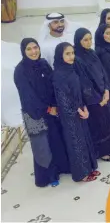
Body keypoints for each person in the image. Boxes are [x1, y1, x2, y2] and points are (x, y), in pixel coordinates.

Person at [14, 38, 70, 187]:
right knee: (42, 146)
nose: (33, 52)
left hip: (51, 110)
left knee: (55, 140)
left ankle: (61, 168)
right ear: (23, 52)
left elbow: (53, 84)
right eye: (29, 49)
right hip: (35, 114)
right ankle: (48, 176)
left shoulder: (44, 64)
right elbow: (28, 96)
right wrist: (47, 108)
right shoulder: (20, 71)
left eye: (35, 48)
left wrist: (55, 104)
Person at [51, 42, 100, 182]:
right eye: (67, 54)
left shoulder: (71, 69)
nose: (71, 56)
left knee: (83, 139)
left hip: (79, 110)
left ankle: (89, 168)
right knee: (75, 142)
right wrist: (79, 110)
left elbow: (78, 91)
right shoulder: (58, 74)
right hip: (69, 115)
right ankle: (82, 174)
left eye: (72, 53)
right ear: (60, 56)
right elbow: (64, 98)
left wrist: (84, 107)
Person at [73, 28, 110, 162]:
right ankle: (102, 152)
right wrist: (98, 99)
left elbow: (102, 72)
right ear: (78, 41)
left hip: (103, 95)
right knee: (98, 126)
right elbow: (84, 82)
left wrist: (106, 90)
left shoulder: (92, 53)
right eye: (85, 40)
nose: (88, 42)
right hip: (93, 100)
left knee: (107, 123)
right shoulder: (77, 59)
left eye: (90, 39)